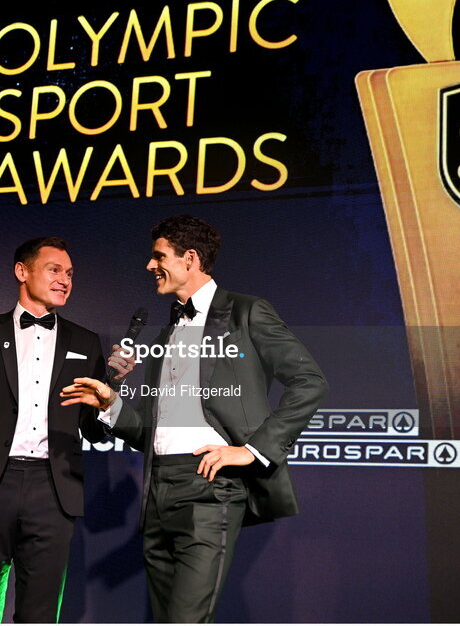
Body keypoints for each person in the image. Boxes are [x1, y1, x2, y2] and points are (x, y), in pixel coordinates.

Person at [61, 215, 328, 622]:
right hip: (157, 490)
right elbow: (155, 432)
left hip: (210, 487)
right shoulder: (169, 332)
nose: (149, 266)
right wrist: (110, 405)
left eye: (158, 256)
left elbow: (309, 381)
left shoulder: (246, 312)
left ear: (190, 258)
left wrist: (252, 450)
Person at [0, 237, 111, 623]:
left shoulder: (85, 342)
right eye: (54, 270)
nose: (65, 279)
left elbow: (94, 431)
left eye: (69, 273)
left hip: (54, 491)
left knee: (41, 614)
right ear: (22, 271)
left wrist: (108, 406)